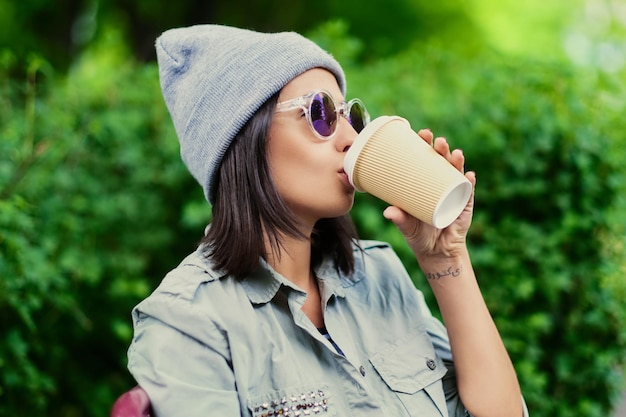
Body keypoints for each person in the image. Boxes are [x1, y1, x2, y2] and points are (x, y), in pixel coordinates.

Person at [127, 24, 528, 417]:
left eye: (350, 115)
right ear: (244, 139)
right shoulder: (187, 321)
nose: (351, 138)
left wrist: (446, 257)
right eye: (320, 113)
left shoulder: (378, 275)